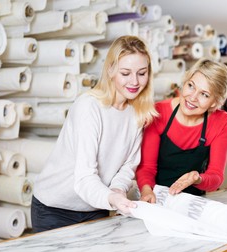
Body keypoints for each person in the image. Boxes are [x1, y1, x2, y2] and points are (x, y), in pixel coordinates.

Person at [31, 36, 158, 232]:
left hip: (96, 205)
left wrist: (117, 190)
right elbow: (84, 177)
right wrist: (112, 198)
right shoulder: (89, 107)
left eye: (142, 73)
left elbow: (127, 166)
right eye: (125, 73)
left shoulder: (137, 113)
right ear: (110, 70)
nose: (134, 81)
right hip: (54, 208)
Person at [136, 58, 227, 203]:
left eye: (204, 94)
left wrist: (197, 178)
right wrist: (146, 190)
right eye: (191, 86)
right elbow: (146, 168)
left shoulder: (221, 122)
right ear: (185, 82)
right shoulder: (159, 112)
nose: (192, 97)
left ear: (215, 102)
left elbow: (216, 176)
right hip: (155, 198)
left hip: (193, 202)